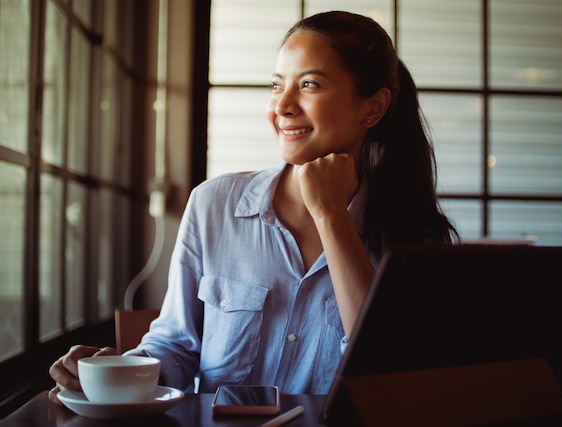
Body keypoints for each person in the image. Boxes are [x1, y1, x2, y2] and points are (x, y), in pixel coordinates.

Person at [48, 10, 458, 404]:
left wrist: (331, 215)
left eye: (310, 85)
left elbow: (390, 370)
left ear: (373, 107)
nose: (282, 107)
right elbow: (176, 345)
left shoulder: (416, 235)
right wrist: (115, 371)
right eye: (278, 85)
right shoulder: (213, 204)